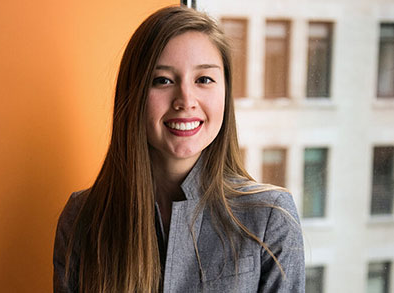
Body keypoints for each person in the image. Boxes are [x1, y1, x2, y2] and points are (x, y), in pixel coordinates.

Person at [53, 6, 305, 293]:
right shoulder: (82, 219)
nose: (186, 100)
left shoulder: (270, 217)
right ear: (133, 95)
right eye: (163, 80)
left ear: (225, 92)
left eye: (204, 80)